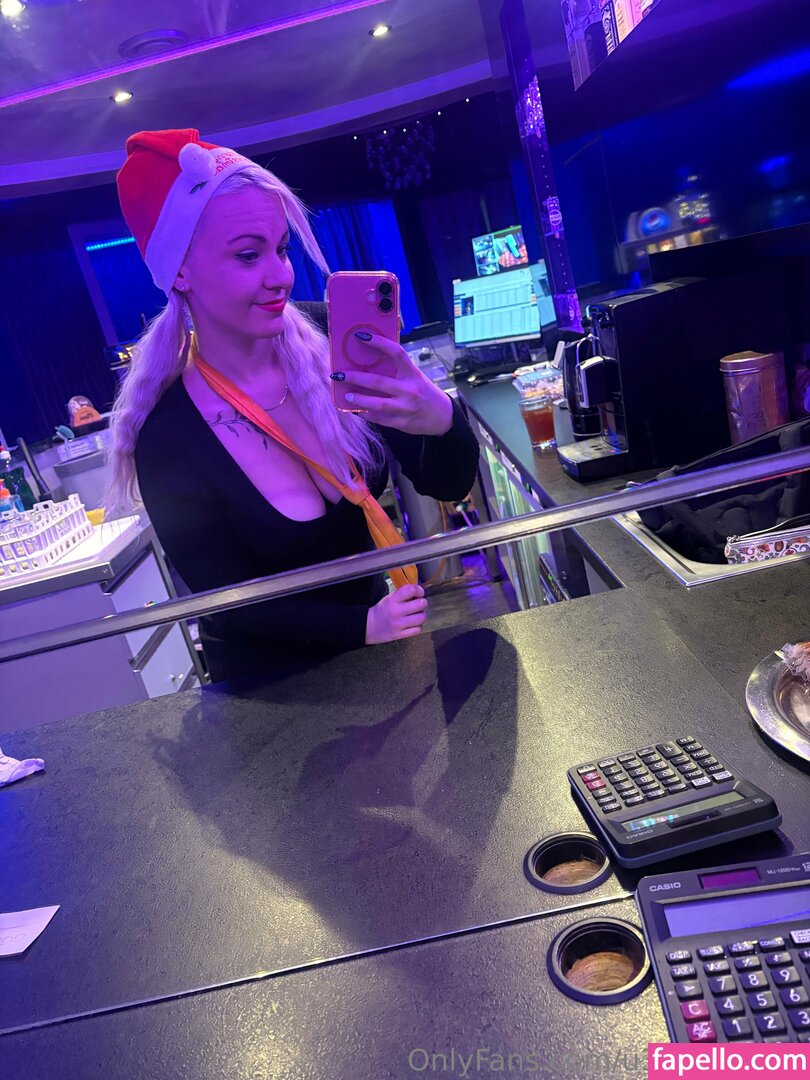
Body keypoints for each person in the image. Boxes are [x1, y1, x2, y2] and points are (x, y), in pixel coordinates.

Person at [108, 129, 479, 683]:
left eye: (281, 249)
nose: (281, 275)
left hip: (382, 667)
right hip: (271, 697)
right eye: (248, 255)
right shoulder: (169, 436)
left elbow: (448, 483)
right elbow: (226, 602)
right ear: (180, 271)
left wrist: (440, 419)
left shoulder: (330, 339)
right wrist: (360, 626)